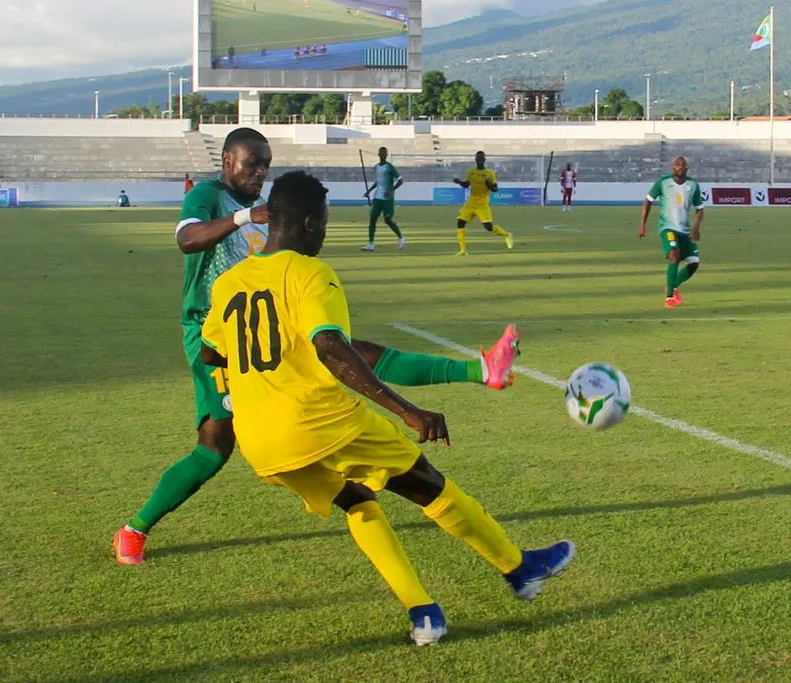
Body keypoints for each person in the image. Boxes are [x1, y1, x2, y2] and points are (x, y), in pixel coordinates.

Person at [200, 170, 576, 646]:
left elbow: (211, 352)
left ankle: (423, 613)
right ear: (311, 224)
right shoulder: (311, 273)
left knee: (357, 499)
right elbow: (333, 348)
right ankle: (520, 569)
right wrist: (407, 410)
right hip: (319, 421)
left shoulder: (232, 281)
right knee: (429, 487)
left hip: (259, 441)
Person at [112, 129, 522, 565]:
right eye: (253, 163)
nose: (261, 171)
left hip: (263, 325)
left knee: (348, 351)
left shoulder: (266, 212)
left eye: (267, 164)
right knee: (214, 449)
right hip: (213, 338)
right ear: (228, 161)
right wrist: (246, 217)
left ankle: (481, 371)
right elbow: (186, 239)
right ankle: (134, 529)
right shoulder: (211, 195)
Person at [638, 156, 704, 308]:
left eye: (683, 165)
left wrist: (696, 227)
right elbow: (648, 201)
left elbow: (700, 209)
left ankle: (672, 286)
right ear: (672, 167)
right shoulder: (663, 182)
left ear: (687, 168)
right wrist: (643, 224)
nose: (680, 167)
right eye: (677, 164)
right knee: (674, 257)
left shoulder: (693, 185)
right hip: (667, 227)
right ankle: (669, 298)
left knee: (694, 263)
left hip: (685, 230)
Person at [452, 152, 513, 256]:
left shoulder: (489, 173)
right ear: (475, 159)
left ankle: (507, 235)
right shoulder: (471, 171)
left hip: (482, 203)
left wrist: (489, 185)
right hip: (471, 202)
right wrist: (459, 182)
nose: (479, 160)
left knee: (488, 228)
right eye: (478, 158)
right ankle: (463, 250)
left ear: (484, 160)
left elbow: (495, 189)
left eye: (481, 159)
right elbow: (466, 185)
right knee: (460, 222)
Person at [362, 146, 405, 252]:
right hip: (377, 197)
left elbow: (400, 181)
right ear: (378, 154)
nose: (383, 155)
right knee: (372, 219)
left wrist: (391, 190)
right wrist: (369, 191)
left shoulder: (390, 167)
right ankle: (371, 244)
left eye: (385, 153)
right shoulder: (376, 167)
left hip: (387, 199)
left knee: (388, 220)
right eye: (381, 153)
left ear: (386, 155)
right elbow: (378, 182)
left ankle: (401, 237)